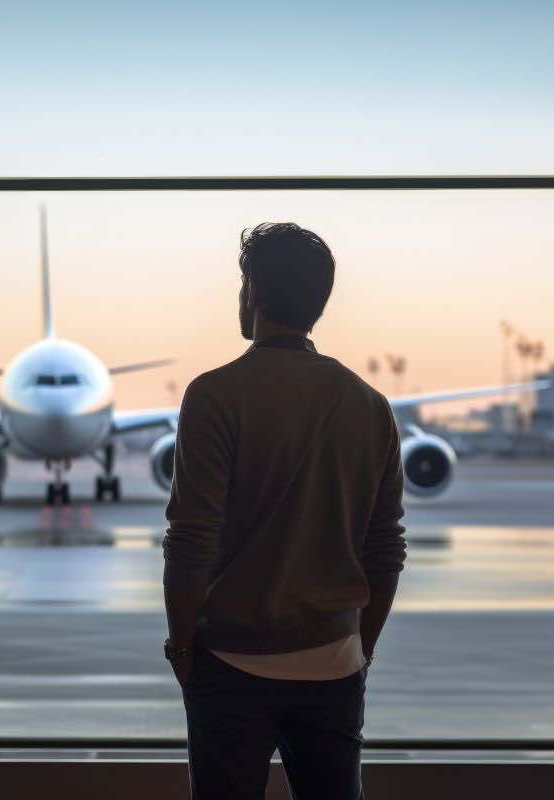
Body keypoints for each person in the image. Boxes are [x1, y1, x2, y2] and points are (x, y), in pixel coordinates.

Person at [162, 223, 407, 800]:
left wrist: (181, 644)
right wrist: (359, 648)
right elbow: (385, 551)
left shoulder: (214, 395)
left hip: (231, 659)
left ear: (252, 291)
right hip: (335, 660)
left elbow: (191, 540)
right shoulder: (370, 406)